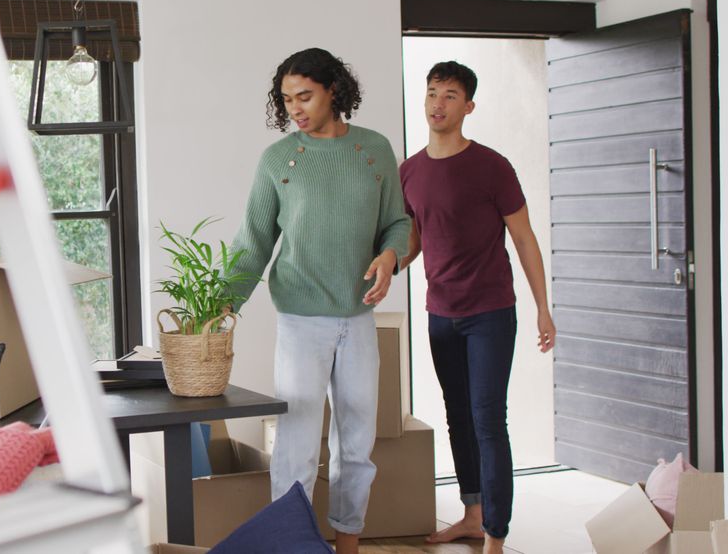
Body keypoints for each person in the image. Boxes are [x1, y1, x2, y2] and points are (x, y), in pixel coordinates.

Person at [228, 47, 410, 554]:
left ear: (334, 90)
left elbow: (398, 221)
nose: (296, 108)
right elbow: (253, 243)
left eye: (304, 96)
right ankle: (292, 546)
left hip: (359, 319)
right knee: (296, 447)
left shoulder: (374, 150)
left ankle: (347, 543)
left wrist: (390, 256)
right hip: (301, 322)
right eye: (286, 100)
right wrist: (220, 308)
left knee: (357, 445)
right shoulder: (278, 160)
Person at [399, 61, 556, 554]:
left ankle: (497, 534)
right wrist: (382, 269)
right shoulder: (410, 171)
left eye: (449, 96)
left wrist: (543, 309)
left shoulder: (492, 166)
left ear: (467, 106)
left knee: (488, 418)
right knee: (457, 416)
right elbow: (412, 243)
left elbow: (525, 239)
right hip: (440, 314)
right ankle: (472, 514)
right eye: (430, 94)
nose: (437, 104)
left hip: (489, 313)